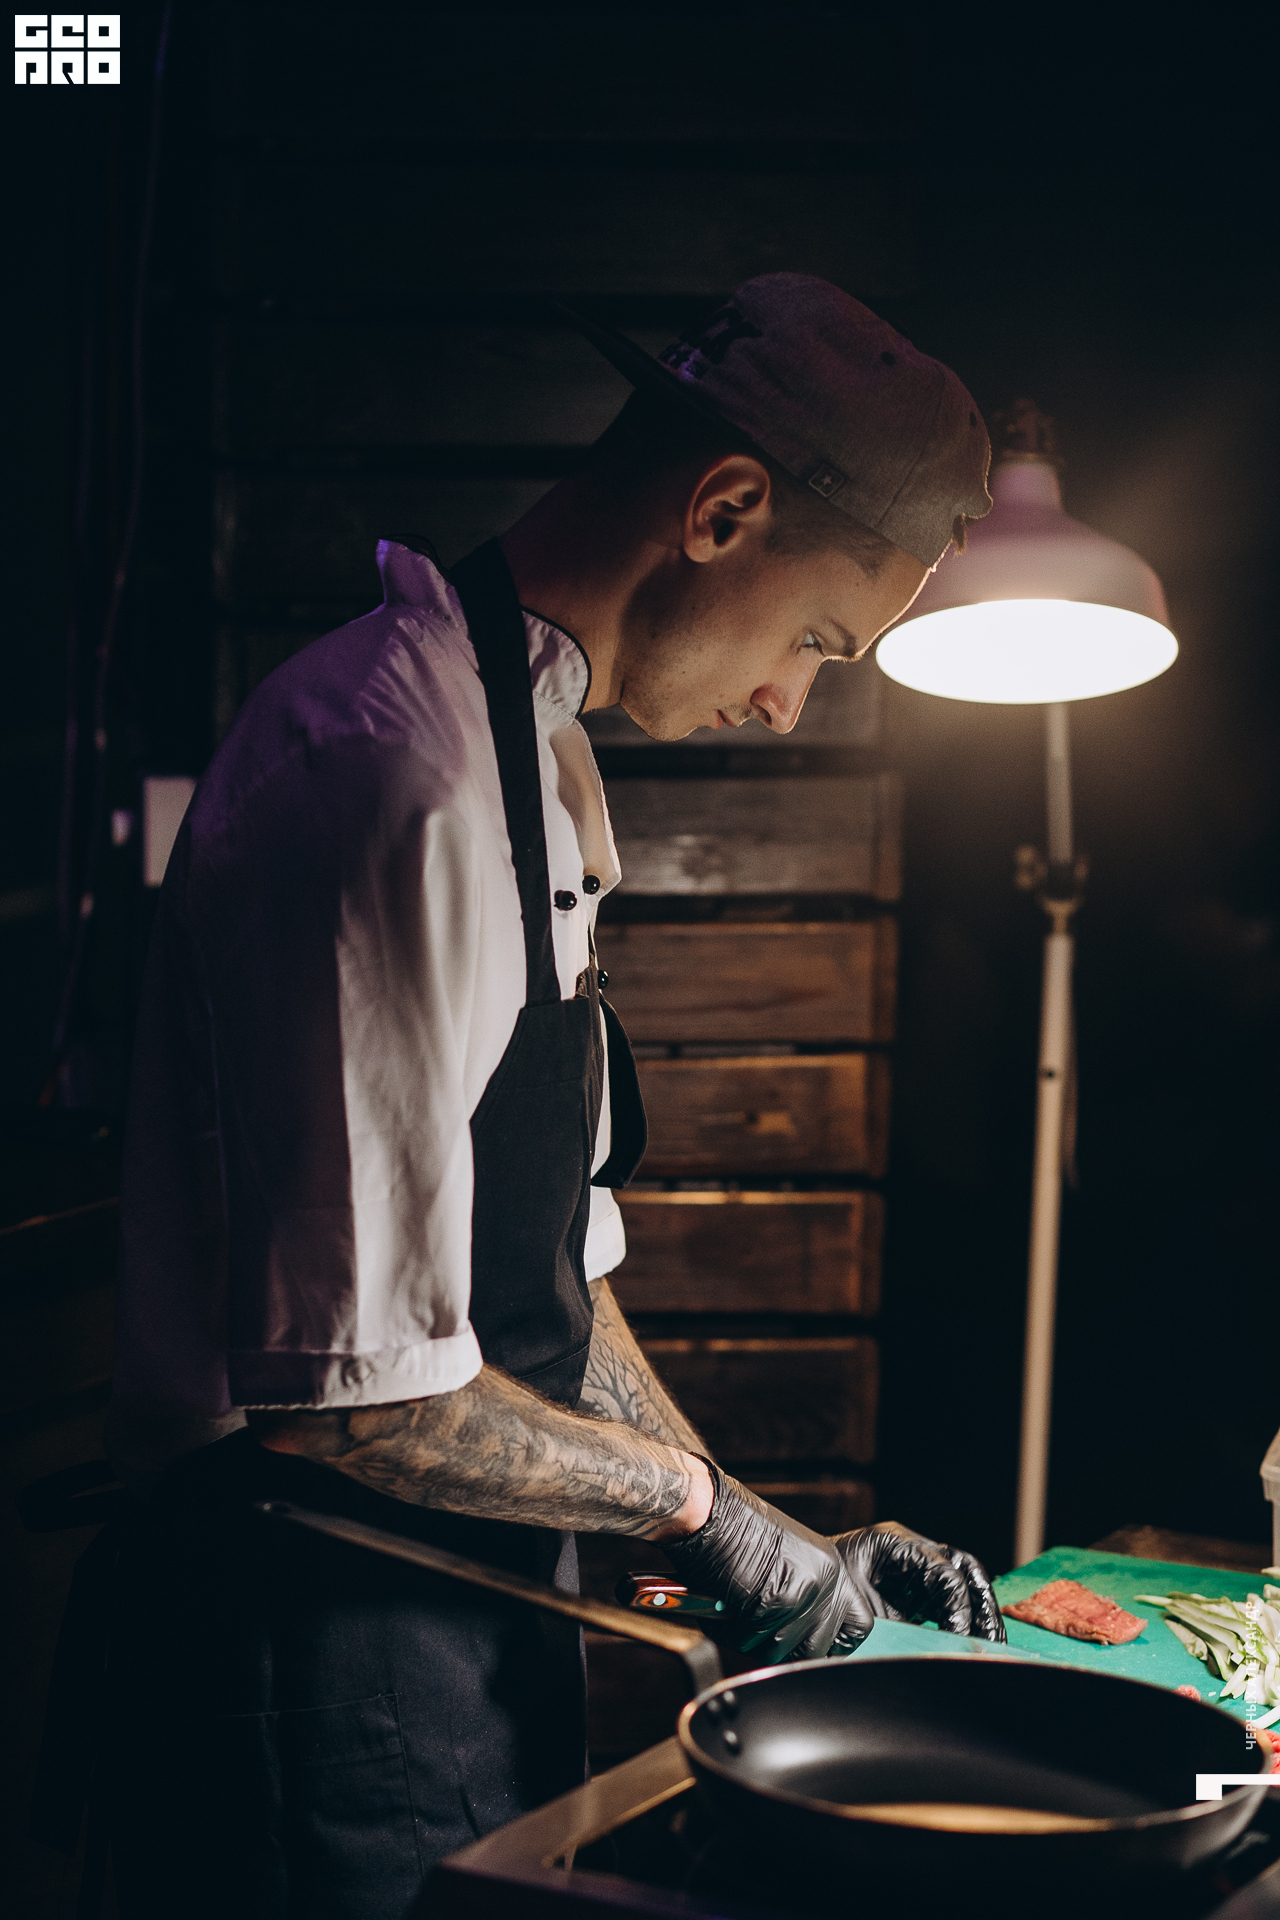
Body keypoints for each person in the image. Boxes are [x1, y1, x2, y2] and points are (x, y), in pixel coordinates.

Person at [104, 274, 1003, 1916]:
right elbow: (360, 1400)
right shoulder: (388, 768)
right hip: (299, 1650)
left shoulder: (541, 760)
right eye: (818, 642)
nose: (788, 703)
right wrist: (713, 1522)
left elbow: (547, 1293)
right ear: (723, 512)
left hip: (473, 1623)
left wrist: (782, 1556)